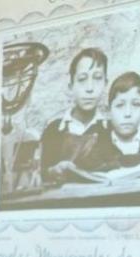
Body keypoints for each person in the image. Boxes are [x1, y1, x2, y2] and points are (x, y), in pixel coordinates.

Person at [40, 47, 110, 185]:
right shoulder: (53, 130)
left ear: (105, 84)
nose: (89, 88)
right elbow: (38, 174)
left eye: (97, 78)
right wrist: (51, 171)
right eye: (82, 79)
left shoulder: (110, 131)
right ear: (71, 86)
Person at [86, 71, 140, 180]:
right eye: (120, 105)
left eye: (136, 105)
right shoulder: (95, 145)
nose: (128, 114)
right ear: (108, 111)